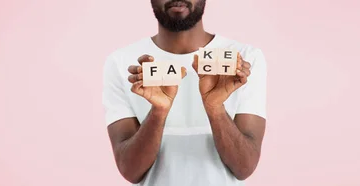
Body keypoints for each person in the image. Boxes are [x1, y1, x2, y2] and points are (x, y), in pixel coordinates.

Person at [101, 0, 267, 185]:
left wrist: (215, 109)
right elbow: (130, 171)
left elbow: (244, 167)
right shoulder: (121, 63)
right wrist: (158, 112)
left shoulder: (245, 59)